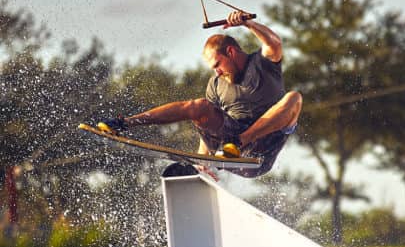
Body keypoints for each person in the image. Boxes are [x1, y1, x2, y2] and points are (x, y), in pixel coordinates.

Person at [98, 11, 302, 177]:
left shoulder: (262, 64)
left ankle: (240, 141)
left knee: (294, 98)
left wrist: (248, 24)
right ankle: (124, 123)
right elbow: (208, 131)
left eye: (218, 65)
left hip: (261, 152)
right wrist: (202, 162)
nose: (216, 72)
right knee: (199, 106)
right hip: (230, 151)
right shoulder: (215, 84)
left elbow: (274, 43)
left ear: (230, 52)